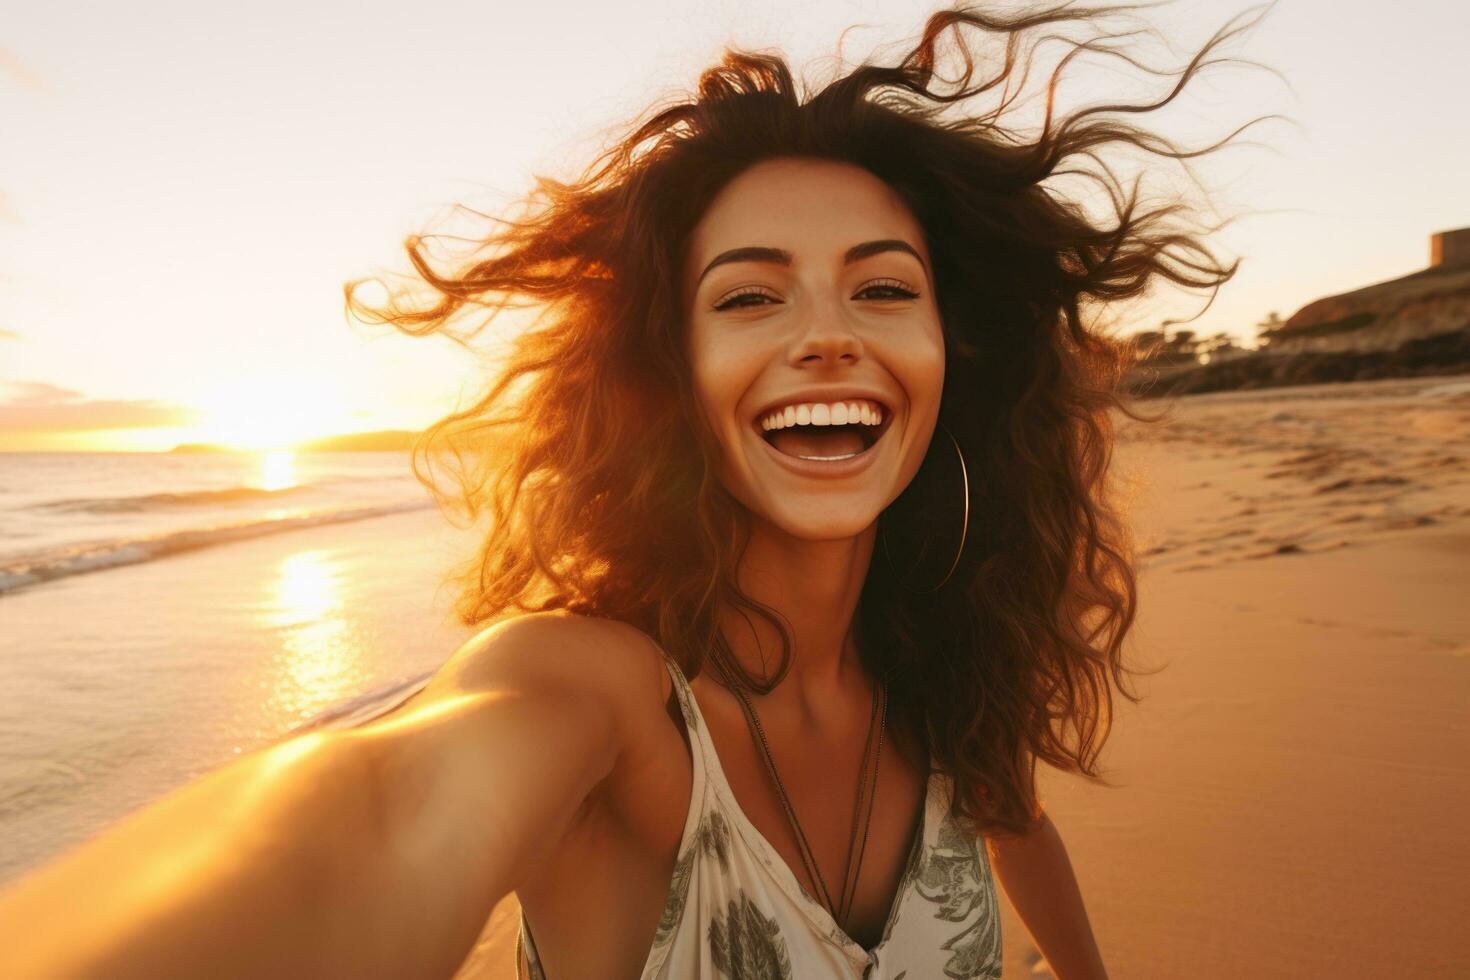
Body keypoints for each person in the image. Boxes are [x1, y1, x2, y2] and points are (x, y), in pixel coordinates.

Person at [0, 3, 1271, 977]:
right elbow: (383, 814)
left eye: (882, 287)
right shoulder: (601, 700)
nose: (826, 336)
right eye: (749, 296)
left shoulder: (938, 667)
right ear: (673, 371)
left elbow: (1015, 820)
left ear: (953, 358)